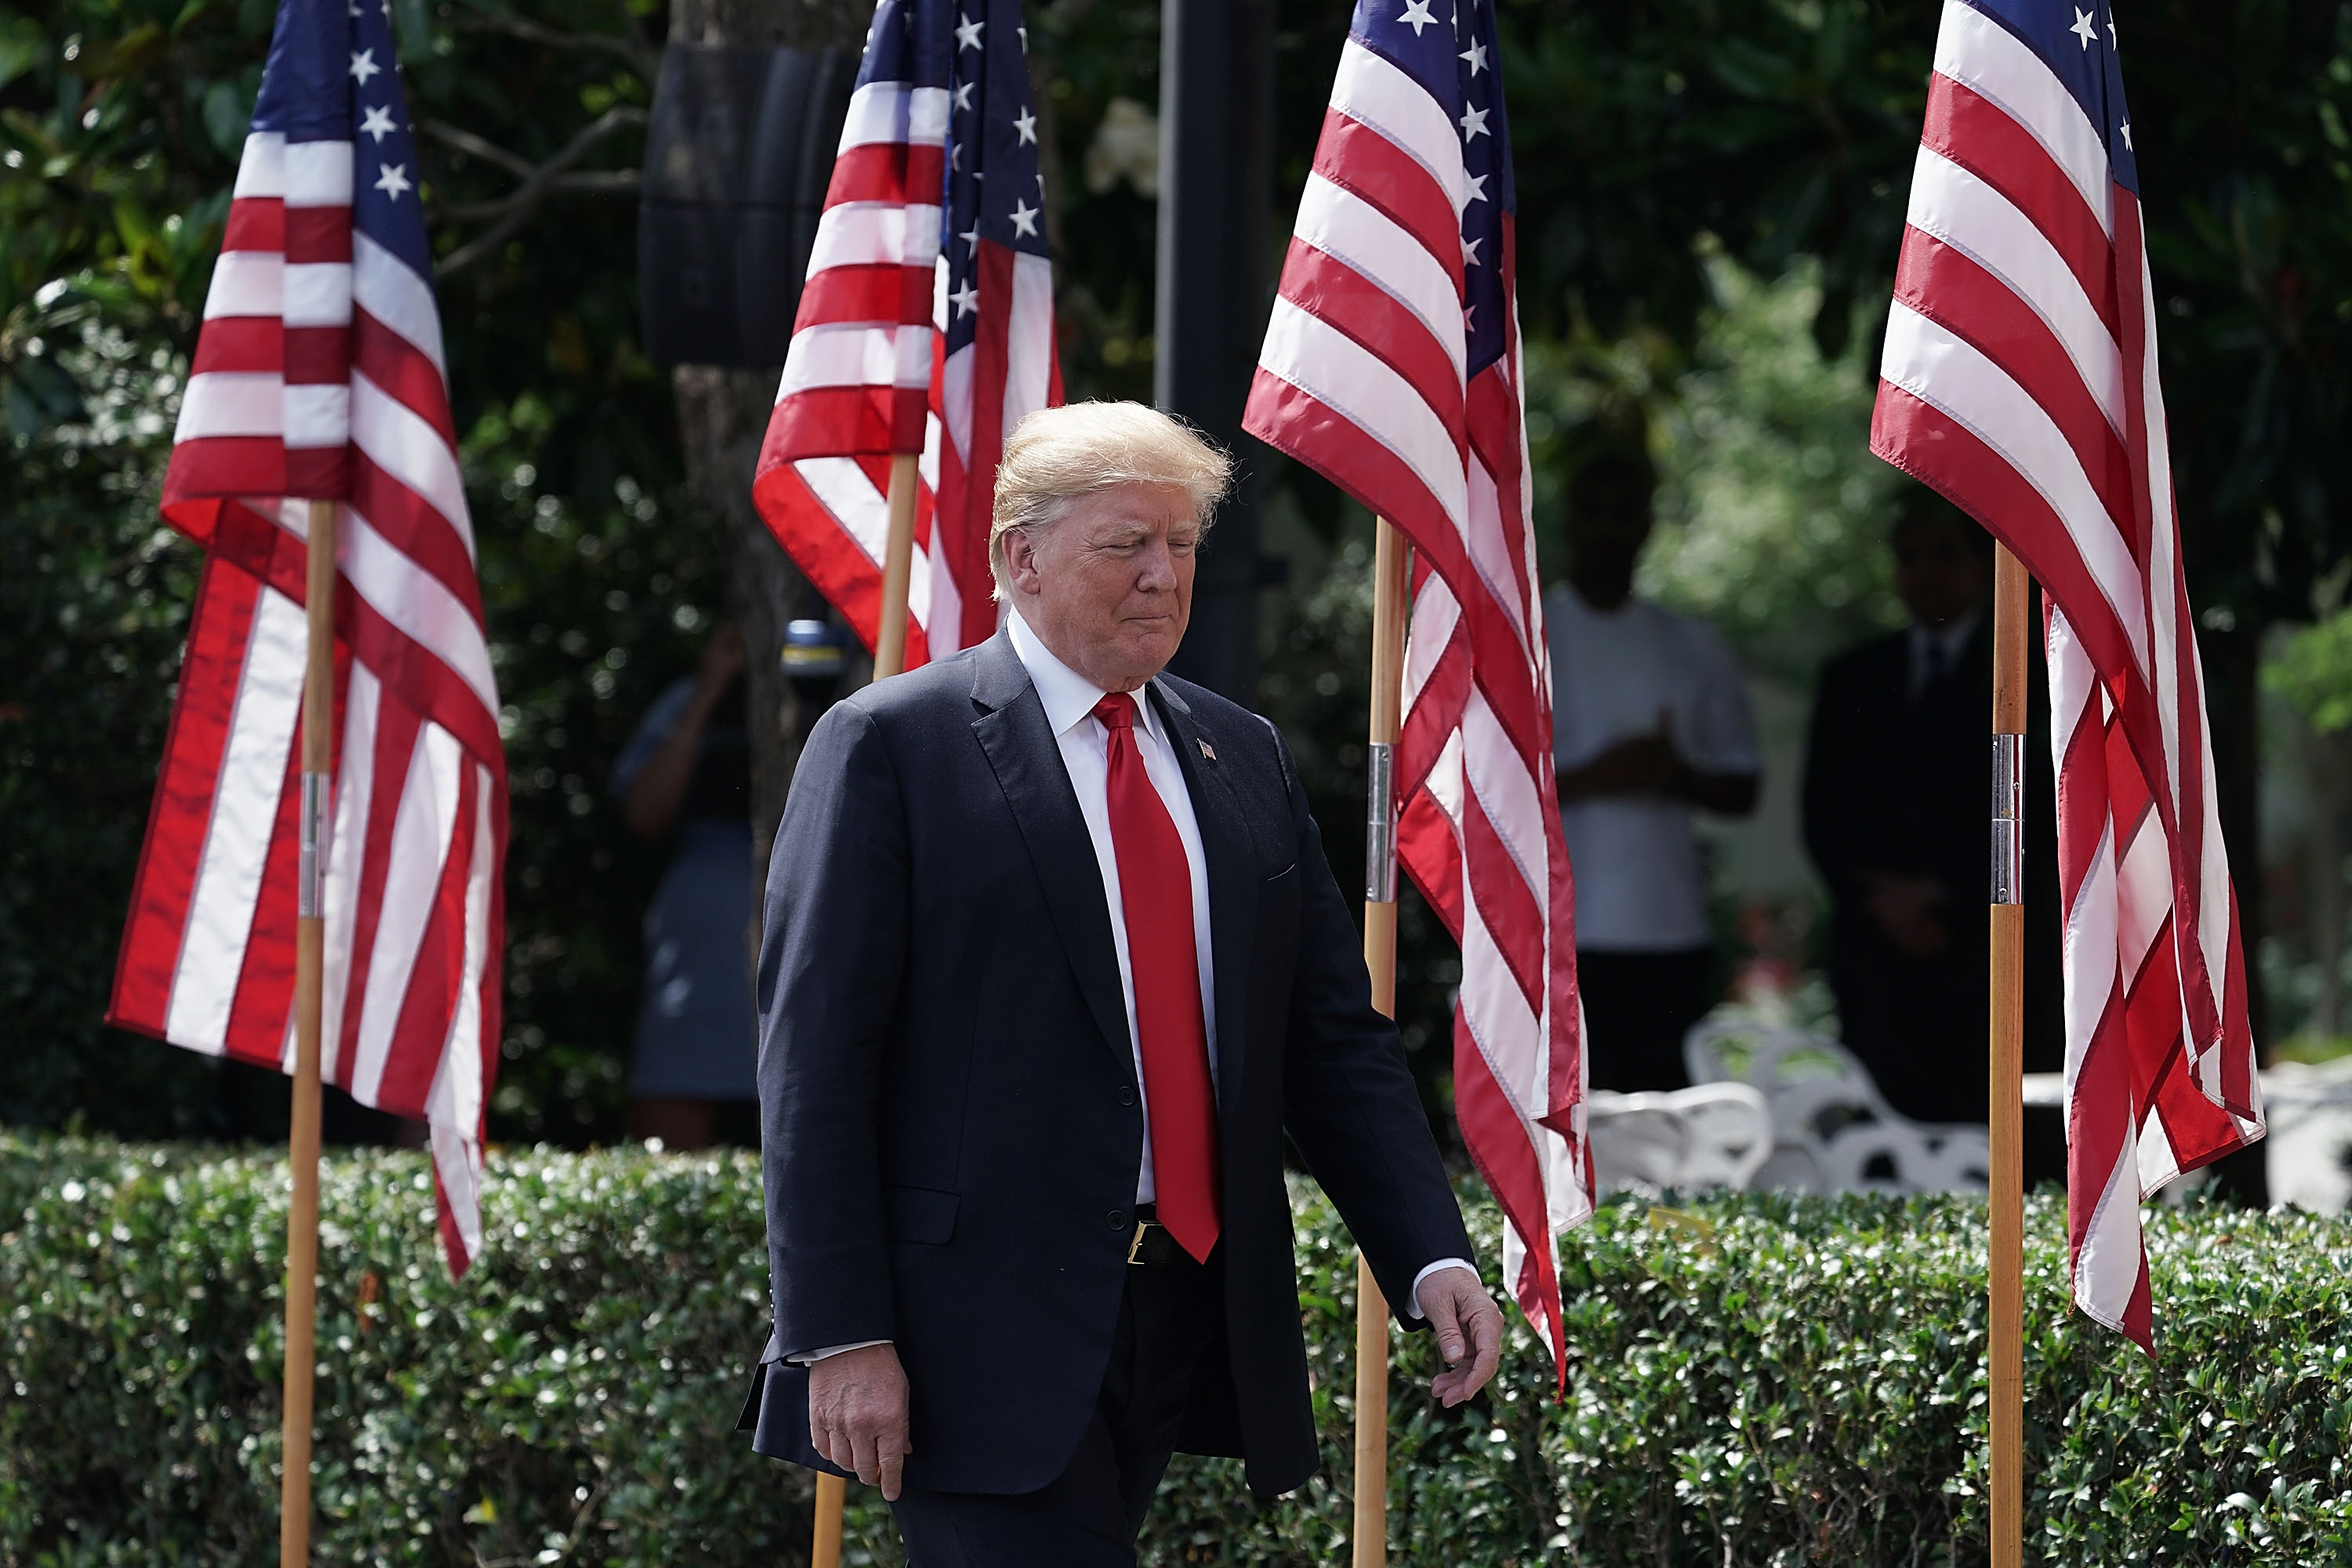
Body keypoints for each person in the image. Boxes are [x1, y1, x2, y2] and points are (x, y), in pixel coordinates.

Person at [738, 401, 1503, 1565]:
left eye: (1182, 544)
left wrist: (1428, 1252)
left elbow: (1329, 1040)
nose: (1162, 577)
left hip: (1181, 1314)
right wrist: (837, 1334)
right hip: (970, 1338)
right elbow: (816, 1070)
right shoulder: (891, 746)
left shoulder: (1239, 753)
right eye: (1125, 544)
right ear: (1019, 558)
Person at [1802, 492, 2066, 1130]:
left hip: (1990, 951)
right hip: (1880, 962)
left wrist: (1943, 895)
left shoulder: (2033, 673)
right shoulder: (1854, 677)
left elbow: (2039, 812)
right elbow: (1822, 815)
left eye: (1944, 555)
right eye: (1910, 557)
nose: (1926, 573)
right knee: (1889, 1142)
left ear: (1981, 566)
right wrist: (1885, 902)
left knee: (2004, 1136)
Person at [1545, 452, 1760, 1091]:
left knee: (1666, 1115)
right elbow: (1482, 783)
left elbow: (1742, 784)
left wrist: (1676, 776)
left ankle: (1662, 1204)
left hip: (1669, 926)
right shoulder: (1533, 634)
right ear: (1570, 522)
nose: (1608, 529)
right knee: (1572, 1109)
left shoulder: (1691, 645)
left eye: (1623, 514)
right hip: (1562, 926)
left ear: (1646, 525)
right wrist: (1594, 776)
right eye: (1594, 513)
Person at [611, 624, 757, 1149]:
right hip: (701, 938)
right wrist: (710, 688)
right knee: (667, 1148)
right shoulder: (689, 700)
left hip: (808, 919)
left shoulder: (847, 689)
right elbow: (644, 814)